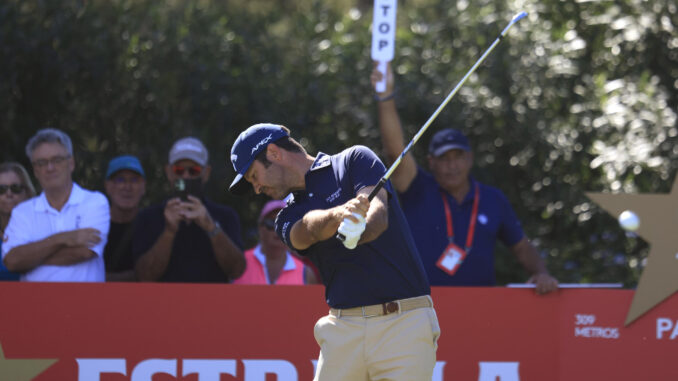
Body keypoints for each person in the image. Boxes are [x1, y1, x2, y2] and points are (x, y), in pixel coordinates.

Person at [229, 123, 439, 380]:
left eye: (253, 176)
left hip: (403, 322)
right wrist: (340, 215)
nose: (257, 188)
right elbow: (307, 231)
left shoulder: (354, 160)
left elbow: (378, 217)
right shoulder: (285, 217)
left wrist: (359, 229)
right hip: (343, 329)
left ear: (273, 153)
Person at [372, 63, 558, 294]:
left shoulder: (492, 199)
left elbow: (521, 246)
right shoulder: (417, 187)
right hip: (421, 308)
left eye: (458, 157)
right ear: (431, 162)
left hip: (478, 310)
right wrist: (385, 96)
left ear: (470, 159)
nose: (452, 166)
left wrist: (540, 273)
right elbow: (394, 152)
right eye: (444, 159)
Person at [2, 128, 110, 282]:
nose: (50, 168)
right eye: (42, 162)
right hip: (35, 304)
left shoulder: (94, 202)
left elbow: (85, 252)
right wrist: (63, 238)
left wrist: (31, 258)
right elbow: (12, 262)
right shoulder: (22, 212)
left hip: (85, 303)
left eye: (57, 160)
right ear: (35, 171)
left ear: (71, 163)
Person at [133, 137, 245, 282]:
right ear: (168, 172)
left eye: (194, 170)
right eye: (179, 170)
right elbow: (143, 276)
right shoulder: (148, 217)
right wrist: (169, 231)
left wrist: (211, 227)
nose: (186, 176)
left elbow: (236, 271)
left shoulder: (225, 216)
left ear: (206, 173)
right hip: (163, 303)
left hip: (212, 303)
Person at [234, 199, 319, 285]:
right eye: (271, 223)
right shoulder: (238, 262)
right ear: (260, 227)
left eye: (284, 224)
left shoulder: (306, 273)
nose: (277, 230)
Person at [103, 155, 146, 281]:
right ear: (108, 186)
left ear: (143, 186)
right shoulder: (94, 223)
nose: (127, 187)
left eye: (134, 180)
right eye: (120, 180)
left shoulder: (152, 225)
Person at [0, 162, 37, 281]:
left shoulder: (40, 229)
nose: (8, 194)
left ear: (27, 192)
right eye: (2, 189)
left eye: (15, 188)